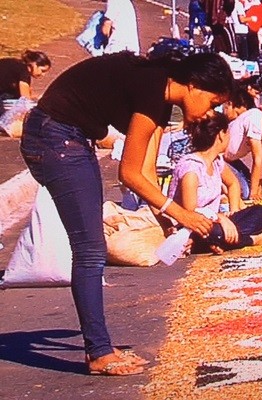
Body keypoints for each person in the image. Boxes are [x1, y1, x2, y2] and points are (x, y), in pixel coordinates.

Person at [19, 52, 235, 376]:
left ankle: (100, 347)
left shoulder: (160, 100)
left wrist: (168, 222)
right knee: (91, 250)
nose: (211, 112)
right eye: (213, 101)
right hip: (54, 137)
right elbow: (129, 174)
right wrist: (182, 215)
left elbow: (146, 170)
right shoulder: (153, 88)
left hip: (69, 138)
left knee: (90, 249)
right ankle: (99, 353)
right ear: (195, 85)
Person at [167, 112, 262, 254]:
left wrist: (233, 211)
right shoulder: (191, 168)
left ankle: (213, 242)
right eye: (228, 133)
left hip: (214, 223)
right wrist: (220, 218)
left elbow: (233, 184)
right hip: (191, 226)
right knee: (215, 232)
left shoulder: (217, 161)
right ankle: (248, 240)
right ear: (221, 135)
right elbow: (190, 213)